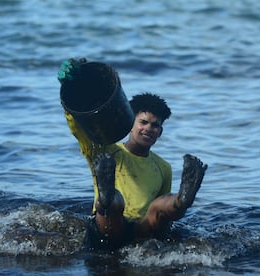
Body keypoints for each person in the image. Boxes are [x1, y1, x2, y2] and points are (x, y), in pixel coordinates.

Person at [58, 58, 208, 249]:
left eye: (155, 125)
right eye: (143, 122)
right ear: (130, 124)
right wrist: (73, 87)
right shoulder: (106, 152)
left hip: (142, 230)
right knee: (114, 203)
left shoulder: (163, 168)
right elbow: (80, 129)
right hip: (108, 228)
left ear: (160, 132)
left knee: (159, 208)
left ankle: (183, 199)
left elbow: (164, 217)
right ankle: (107, 195)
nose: (149, 129)